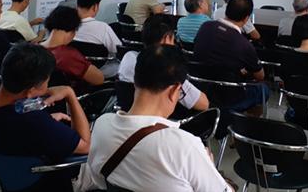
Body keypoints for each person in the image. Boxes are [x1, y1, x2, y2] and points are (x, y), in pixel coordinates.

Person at [77, 45, 232, 192]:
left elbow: (99, 180)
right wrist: (209, 166)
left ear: (135, 81)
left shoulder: (102, 125)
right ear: (174, 91)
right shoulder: (186, 146)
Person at [0, 43, 90, 192]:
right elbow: (85, 146)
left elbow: (9, 130)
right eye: (46, 82)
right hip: (44, 183)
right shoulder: (34, 123)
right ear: (31, 91)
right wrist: (69, 94)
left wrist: (48, 122)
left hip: (6, 181)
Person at [193, 0, 269, 113]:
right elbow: (260, 76)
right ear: (246, 18)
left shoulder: (205, 26)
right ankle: (244, 122)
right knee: (263, 88)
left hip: (201, 89)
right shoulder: (244, 44)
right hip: (229, 96)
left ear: (226, 10)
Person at [119, 14, 209, 111]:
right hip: (165, 118)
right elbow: (203, 104)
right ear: (166, 39)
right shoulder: (168, 69)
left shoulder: (128, 57)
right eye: (173, 39)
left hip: (129, 112)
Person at [40, 6, 104, 91]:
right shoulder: (67, 55)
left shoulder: (33, 49)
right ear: (72, 31)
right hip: (68, 97)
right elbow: (99, 79)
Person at [74, 0, 122, 78]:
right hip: (99, 71)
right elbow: (117, 49)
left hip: (74, 69)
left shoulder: (68, 26)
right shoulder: (103, 28)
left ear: (77, 5)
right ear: (95, 7)